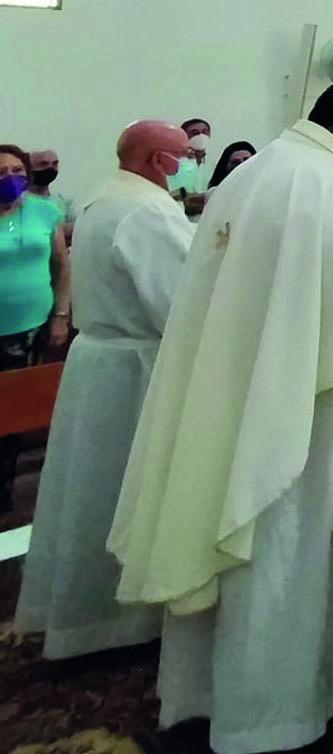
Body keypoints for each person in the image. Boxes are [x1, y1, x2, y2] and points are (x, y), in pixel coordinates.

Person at [106, 78, 333, 754]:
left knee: (225, 521)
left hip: (228, 382)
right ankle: (275, 713)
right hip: (289, 398)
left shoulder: (256, 172)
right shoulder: (332, 183)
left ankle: (208, 693)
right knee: (280, 540)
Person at [14, 121, 195, 659]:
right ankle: (119, 620)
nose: (188, 165)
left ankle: (76, 609)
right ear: (161, 161)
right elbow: (181, 303)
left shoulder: (102, 195)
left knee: (87, 489)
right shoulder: (147, 211)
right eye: (184, 156)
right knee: (124, 489)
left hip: (101, 358)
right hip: (134, 369)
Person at [0, 144, 70, 510]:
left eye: (16, 171)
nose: (9, 178)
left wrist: (60, 315)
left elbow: (61, 267)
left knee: (11, 415)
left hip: (31, 329)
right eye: (1, 172)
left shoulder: (45, 212)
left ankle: (4, 495)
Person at [28, 150, 76, 242]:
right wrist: (61, 228)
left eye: (55, 164)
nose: (50, 168)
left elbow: (77, 229)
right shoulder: (18, 201)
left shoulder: (64, 200)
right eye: (43, 164)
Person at [173, 118, 212, 217]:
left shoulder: (212, 166)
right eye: (195, 133)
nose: (201, 136)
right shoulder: (174, 166)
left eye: (205, 132)